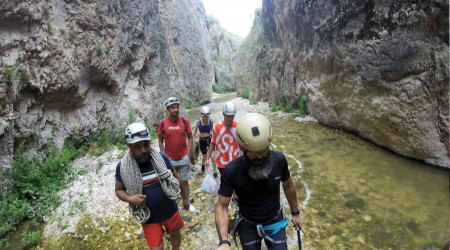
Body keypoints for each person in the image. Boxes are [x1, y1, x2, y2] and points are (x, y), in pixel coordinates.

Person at [215, 113, 303, 250]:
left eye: (264, 150)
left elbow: (288, 185)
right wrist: (224, 241)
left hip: (275, 221)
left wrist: (295, 213)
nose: (261, 155)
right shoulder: (231, 170)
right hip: (247, 224)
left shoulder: (279, 160)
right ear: (242, 147)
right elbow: (222, 206)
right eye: (255, 153)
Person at [115, 122, 190, 250]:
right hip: (149, 217)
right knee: (156, 247)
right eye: (138, 147)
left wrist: (185, 199)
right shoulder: (123, 167)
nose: (143, 150)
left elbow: (178, 179)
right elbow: (118, 190)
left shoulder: (161, 158)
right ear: (129, 147)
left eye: (146, 145)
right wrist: (130, 199)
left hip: (170, 210)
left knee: (176, 235)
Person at [158, 97, 195, 210]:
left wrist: (189, 153)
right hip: (170, 160)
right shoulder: (162, 123)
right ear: (168, 109)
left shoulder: (185, 121)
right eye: (173, 107)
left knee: (185, 182)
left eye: (177, 107)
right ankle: (174, 204)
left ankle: (187, 202)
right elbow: (160, 140)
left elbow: (190, 137)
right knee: (171, 182)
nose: (176, 109)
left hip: (184, 157)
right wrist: (164, 157)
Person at [205, 101, 241, 177]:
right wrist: (207, 158)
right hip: (222, 163)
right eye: (228, 116)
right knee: (227, 184)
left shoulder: (238, 126)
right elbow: (213, 143)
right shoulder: (217, 127)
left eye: (232, 116)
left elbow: (243, 142)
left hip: (236, 161)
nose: (230, 119)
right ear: (223, 114)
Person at [192, 106, 216, 176]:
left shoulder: (211, 122)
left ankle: (214, 171)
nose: (206, 118)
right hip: (202, 141)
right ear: (202, 115)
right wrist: (191, 139)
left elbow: (212, 131)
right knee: (205, 156)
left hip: (210, 140)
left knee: (212, 156)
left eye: (207, 117)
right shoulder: (198, 122)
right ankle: (203, 168)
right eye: (204, 117)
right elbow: (195, 131)